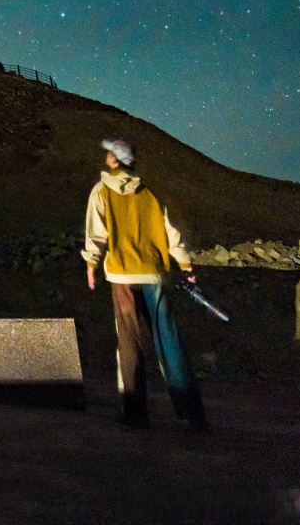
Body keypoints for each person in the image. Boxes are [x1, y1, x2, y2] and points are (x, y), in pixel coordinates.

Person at [83, 137, 206, 430]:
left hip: (122, 277)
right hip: (155, 274)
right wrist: (185, 264)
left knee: (129, 343)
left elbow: (96, 234)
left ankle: (135, 413)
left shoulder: (101, 191)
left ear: (115, 160)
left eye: (110, 153)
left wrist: (91, 265)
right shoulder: (151, 192)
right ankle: (192, 414)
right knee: (170, 342)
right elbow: (171, 231)